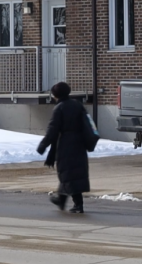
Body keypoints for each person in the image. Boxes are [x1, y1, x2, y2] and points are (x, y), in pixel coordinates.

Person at [36, 81, 90, 214]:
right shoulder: (77, 104)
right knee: (72, 172)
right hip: (79, 142)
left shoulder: (59, 108)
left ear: (55, 95)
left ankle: (78, 204)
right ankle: (62, 199)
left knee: (68, 173)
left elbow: (52, 129)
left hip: (66, 144)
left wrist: (43, 145)